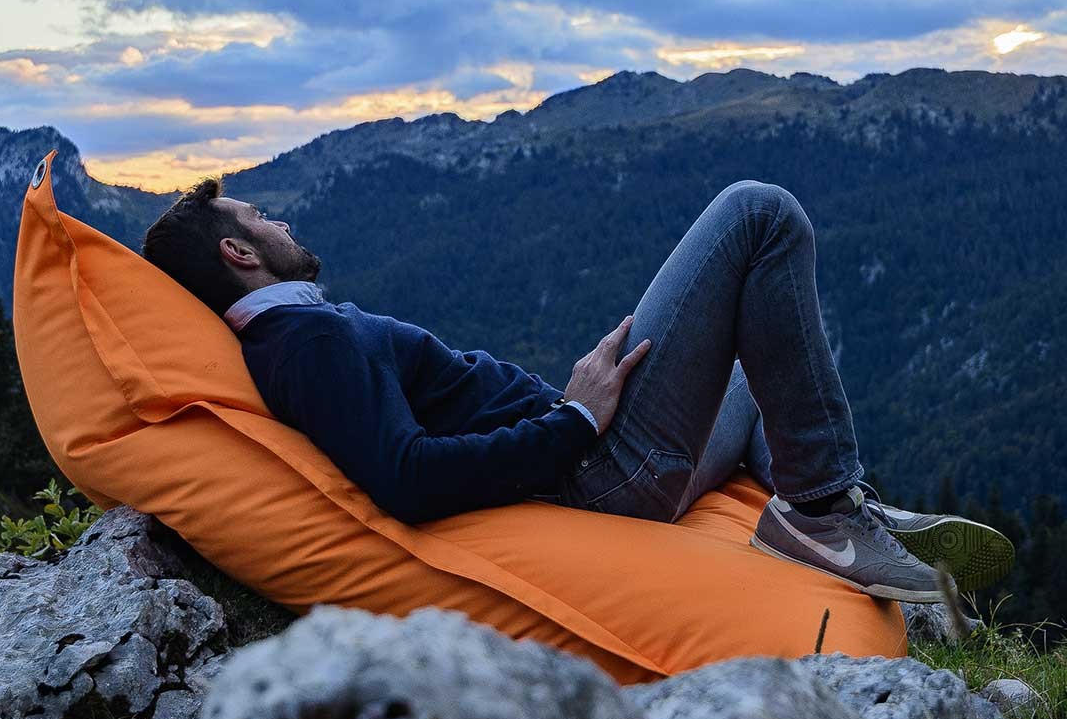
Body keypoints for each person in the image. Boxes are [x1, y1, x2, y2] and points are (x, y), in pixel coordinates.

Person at [141, 174, 1013, 605]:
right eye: (260, 219)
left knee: (751, 376)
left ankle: (824, 503)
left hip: (598, 455)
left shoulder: (300, 334)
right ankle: (824, 513)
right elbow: (405, 477)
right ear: (239, 254)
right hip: (601, 472)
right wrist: (574, 419)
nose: (280, 220)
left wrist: (570, 414)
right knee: (758, 212)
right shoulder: (309, 340)